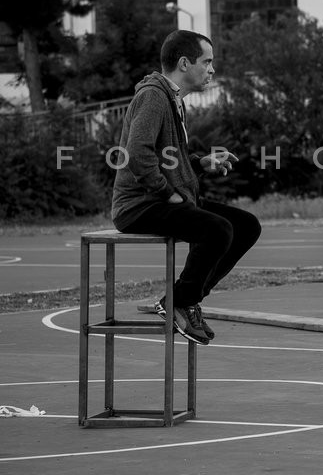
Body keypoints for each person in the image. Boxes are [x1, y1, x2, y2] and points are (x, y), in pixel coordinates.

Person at [111, 30, 262, 345]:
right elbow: (137, 154)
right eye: (207, 62)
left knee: (246, 226)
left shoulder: (173, 100)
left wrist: (199, 164)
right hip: (140, 206)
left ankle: (187, 299)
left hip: (163, 199)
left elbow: (166, 159)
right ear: (184, 63)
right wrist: (168, 193)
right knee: (217, 230)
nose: (212, 70)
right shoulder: (153, 96)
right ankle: (180, 302)